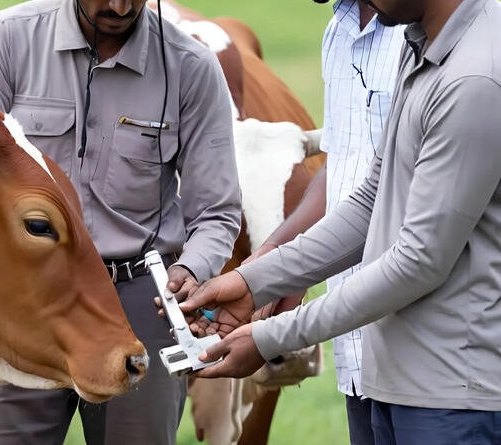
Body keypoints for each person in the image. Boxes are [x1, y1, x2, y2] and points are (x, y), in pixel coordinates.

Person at [181, 0, 501, 443]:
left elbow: (420, 259)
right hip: (390, 374)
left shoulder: (474, 75)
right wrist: (254, 280)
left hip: (453, 395)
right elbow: (370, 198)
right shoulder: (422, 43)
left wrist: (271, 336)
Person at [0, 0, 242, 444]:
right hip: (23, 297)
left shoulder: (192, 67)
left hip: (139, 300)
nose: (119, 5)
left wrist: (191, 270)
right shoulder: (6, 38)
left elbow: (217, 212)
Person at [239, 1, 404, 444]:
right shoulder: (340, 29)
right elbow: (348, 170)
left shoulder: (435, 36)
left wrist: (276, 324)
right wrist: (269, 269)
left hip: (433, 354)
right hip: (359, 349)